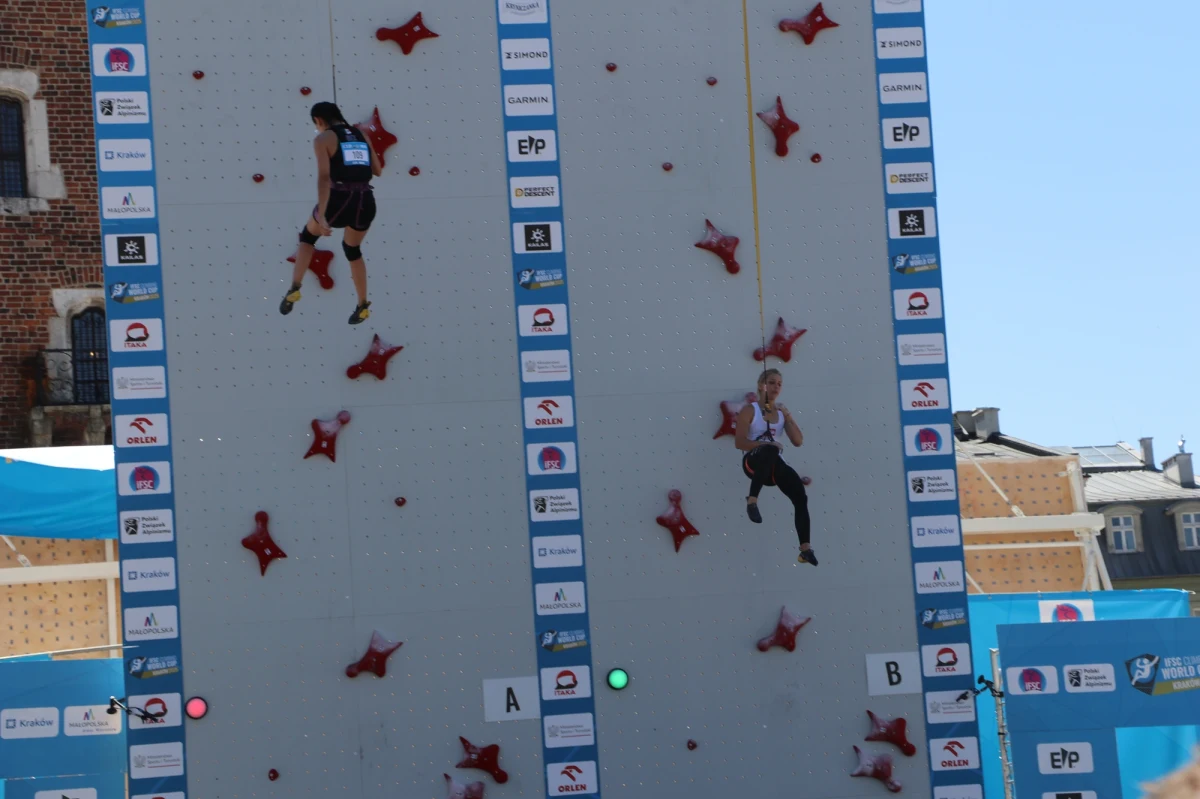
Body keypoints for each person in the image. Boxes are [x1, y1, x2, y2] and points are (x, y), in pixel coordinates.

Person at [280, 101, 381, 324]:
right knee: (352, 249)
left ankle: (295, 288)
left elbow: (324, 177)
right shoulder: (362, 135)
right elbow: (377, 170)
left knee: (308, 238)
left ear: (319, 120)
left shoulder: (323, 139)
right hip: (365, 200)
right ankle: (362, 304)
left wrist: (323, 215)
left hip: (339, 200)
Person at [734, 369, 817, 566]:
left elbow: (797, 441)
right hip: (753, 462)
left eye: (779, 384)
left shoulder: (779, 413)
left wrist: (787, 415)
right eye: (772, 382)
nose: (776, 387)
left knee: (800, 495)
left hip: (772, 466)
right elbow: (739, 442)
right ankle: (752, 500)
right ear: (762, 385)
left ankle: (805, 549)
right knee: (769, 450)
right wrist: (763, 445)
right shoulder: (750, 410)